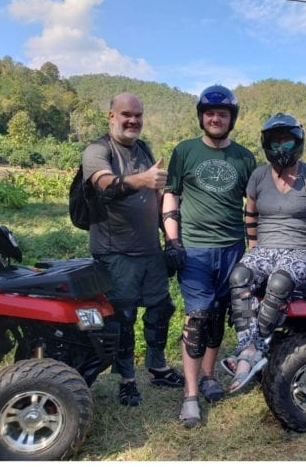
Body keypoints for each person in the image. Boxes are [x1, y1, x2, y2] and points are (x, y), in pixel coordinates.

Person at [81, 92, 185, 407]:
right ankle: (126, 380)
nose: (133, 121)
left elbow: (155, 198)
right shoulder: (97, 151)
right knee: (123, 317)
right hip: (116, 253)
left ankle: (157, 366)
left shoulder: (143, 149)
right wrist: (144, 179)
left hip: (149, 251)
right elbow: (106, 186)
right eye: (126, 114)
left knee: (162, 309)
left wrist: (170, 240)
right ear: (111, 116)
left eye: (138, 115)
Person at [162, 85, 256, 427]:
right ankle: (190, 394)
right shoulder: (185, 151)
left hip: (233, 248)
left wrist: (256, 247)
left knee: (218, 316)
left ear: (232, 119)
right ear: (202, 116)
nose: (215, 118)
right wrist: (172, 241)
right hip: (195, 248)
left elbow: (253, 205)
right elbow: (171, 195)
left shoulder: (245, 158)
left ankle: (208, 375)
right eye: (210, 113)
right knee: (197, 318)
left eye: (222, 114)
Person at [222, 113, 306, 393]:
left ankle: (255, 347)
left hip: (302, 249)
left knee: (278, 282)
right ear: (266, 144)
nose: (281, 149)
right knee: (240, 275)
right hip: (265, 248)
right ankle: (247, 349)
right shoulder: (259, 175)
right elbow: (250, 215)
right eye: (275, 143)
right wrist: (254, 251)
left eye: (287, 143)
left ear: (298, 143)